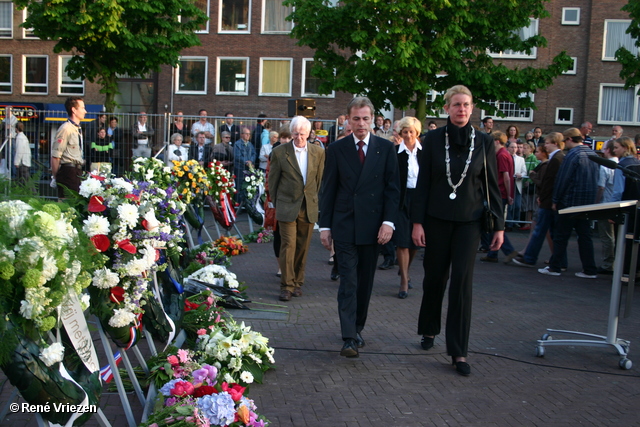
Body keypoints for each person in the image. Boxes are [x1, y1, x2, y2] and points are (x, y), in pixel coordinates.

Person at [411, 85, 503, 376]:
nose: (461, 109)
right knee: (435, 278)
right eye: (455, 105)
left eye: (465, 105)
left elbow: (492, 186)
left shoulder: (485, 142)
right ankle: (428, 329)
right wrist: (417, 222)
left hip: (469, 222)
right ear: (447, 108)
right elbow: (422, 184)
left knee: (462, 284)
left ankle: (459, 351)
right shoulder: (433, 140)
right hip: (436, 220)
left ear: (472, 108)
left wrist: (499, 225)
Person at [319, 96, 400, 358]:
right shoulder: (336, 149)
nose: (361, 123)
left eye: (365, 118)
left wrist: (388, 222)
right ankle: (349, 337)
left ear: (373, 119)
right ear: (348, 120)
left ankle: (358, 327)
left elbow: (392, 189)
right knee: (349, 282)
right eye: (356, 119)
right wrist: (325, 226)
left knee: (365, 283)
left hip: (373, 225)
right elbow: (328, 189)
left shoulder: (386, 149)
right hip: (344, 224)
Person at [269, 116, 325, 302]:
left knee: (303, 246)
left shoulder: (318, 152)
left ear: (309, 134)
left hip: (308, 206)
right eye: (295, 134)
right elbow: (273, 181)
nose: (299, 138)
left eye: (302, 134)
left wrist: (313, 200)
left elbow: (318, 180)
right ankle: (286, 285)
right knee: (288, 245)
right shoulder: (279, 152)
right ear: (291, 133)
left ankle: (298, 282)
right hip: (286, 206)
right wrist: (277, 203)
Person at [538, 128, 599, 278]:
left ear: (570, 139)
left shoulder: (572, 155)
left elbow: (563, 179)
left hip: (570, 202)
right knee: (585, 236)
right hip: (587, 203)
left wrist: (555, 200)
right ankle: (589, 269)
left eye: (565, 140)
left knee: (561, 236)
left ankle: (555, 267)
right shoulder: (593, 153)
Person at [513, 133, 566, 268]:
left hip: (547, 201)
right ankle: (559, 260)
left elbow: (549, 182)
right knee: (550, 232)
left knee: (539, 231)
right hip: (549, 200)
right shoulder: (559, 158)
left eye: (547, 143)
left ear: (555, 143)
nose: (545, 145)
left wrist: (542, 197)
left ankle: (530, 258)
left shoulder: (556, 159)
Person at [393, 117, 423, 299]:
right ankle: (404, 280)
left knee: (415, 243)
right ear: (401, 133)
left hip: (420, 200)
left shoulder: (425, 152)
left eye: (411, 132)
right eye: (405, 132)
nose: (408, 135)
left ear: (417, 133)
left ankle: (406, 270)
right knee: (402, 240)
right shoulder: (395, 152)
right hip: (400, 200)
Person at [480, 132, 518, 264]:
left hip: (499, 193)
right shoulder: (504, 154)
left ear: (496, 141)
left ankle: (508, 250)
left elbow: (506, 177)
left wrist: (508, 194)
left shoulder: (501, 155)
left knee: (494, 223)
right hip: (500, 193)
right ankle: (493, 253)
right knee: (494, 222)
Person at [51, 96, 86, 199]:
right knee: (67, 203)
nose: (85, 111)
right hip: (68, 170)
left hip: (76, 171)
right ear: (74, 110)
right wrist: (57, 177)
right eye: (82, 108)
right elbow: (56, 156)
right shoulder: (66, 128)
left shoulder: (76, 129)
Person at [595, 140, 618, 275]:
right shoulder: (620, 164)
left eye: (604, 148)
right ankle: (615, 261)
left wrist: (595, 203)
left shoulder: (605, 167)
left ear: (608, 150)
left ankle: (608, 264)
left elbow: (601, 187)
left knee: (607, 236)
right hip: (617, 204)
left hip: (606, 204)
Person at [234, 127, 256, 203]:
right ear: (241, 134)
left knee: (247, 186)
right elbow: (237, 156)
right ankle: (238, 203)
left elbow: (254, 154)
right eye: (246, 134)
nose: (248, 135)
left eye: (249, 134)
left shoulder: (250, 144)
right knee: (239, 186)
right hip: (240, 168)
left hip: (248, 168)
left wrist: (251, 161)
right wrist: (246, 162)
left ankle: (246, 204)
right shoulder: (237, 144)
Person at [520, 140, 540, 230]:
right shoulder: (523, 158)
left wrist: (529, 180)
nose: (523, 150)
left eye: (525, 148)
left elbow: (534, 172)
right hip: (523, 185)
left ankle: (530, 223)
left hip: (531, 186)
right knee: (526, 204)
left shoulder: (533, 159)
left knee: (532, 205)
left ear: (531, 149)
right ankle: (527, 223)